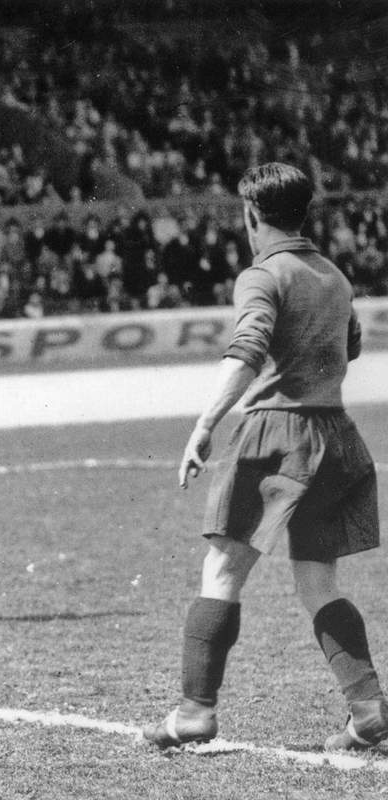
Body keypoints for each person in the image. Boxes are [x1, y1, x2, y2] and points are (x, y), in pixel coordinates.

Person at [144, 163, 386, 752]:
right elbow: (346, 347)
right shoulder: (333, 275)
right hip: (337, 436)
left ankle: (195, 713)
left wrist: (205, 424)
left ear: (251, 217)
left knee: (223, 570)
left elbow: (247, 347)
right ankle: (370, 712)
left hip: (277, 436)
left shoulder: (262, 274)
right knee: (317, 579)